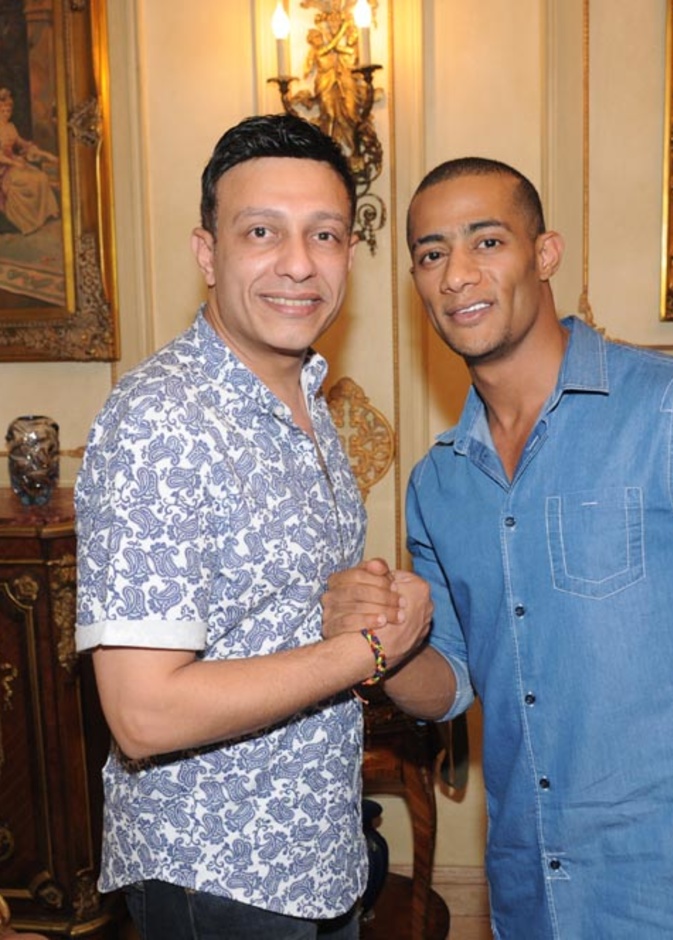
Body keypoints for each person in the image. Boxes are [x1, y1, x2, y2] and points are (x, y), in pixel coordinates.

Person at [75, 113, 432, 940]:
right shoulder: (162, 419)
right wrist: (370, 649)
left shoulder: (305, 398)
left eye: (324, 234)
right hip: (215, 875)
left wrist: (354, 600)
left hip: (315, 857)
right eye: (262, 231)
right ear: (207, 253)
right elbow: (143, 714)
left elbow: (271, 608)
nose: (298, 263)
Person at [322, 156, 673, 938]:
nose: (456, 275)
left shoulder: (659, 411)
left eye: (486, 241)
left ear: (543, 254)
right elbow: (448, 683)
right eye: (431, 253)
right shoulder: (437, 484)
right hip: (528, 884)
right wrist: (380, 643)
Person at [0, 88, 59, 235]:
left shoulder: (11, 127)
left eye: (8, 111)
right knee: (28, 181)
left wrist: (45, 154)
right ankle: (28, 221)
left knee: (41, 177)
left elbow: (23, 144)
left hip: (16, 163)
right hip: (4, 169)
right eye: (2, 111)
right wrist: (14, 163)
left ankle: (43, 215)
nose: (6, 114)